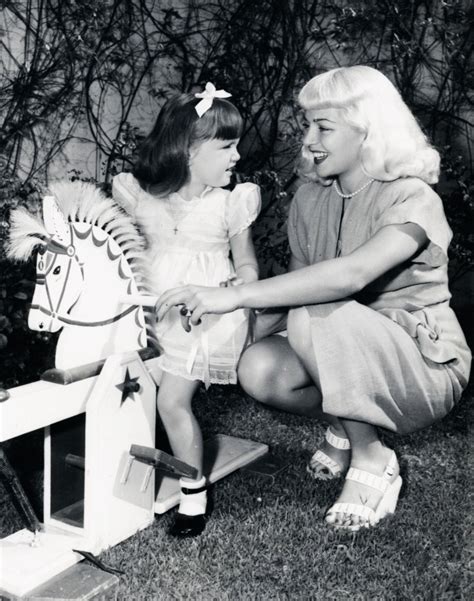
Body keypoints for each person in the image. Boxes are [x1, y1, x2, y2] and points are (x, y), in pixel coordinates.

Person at [155, 66, 471, 532]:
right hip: (341, 345)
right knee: (258, 369)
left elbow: (349, 276)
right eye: (308, 125)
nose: (308, 139)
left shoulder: (413, 198)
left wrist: (237, 295)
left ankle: (372, 457)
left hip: (422, 362)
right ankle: (346, 424)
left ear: (369, 131)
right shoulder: (309, 198)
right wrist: (227, 330)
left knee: (312, 311)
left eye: (324, 127)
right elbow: (301, 287)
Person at [112, 83, 261, 538]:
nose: (237, 156)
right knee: (135, 395)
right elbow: (128, 253)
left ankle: (192, 494)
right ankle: (124, 476)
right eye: (227, 146)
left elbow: (247, 261)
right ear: (189, 149)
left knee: (174, 401)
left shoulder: (231, 202)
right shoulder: (140, 197)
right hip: (148, 314)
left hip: (202, 317)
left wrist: (244, 283)